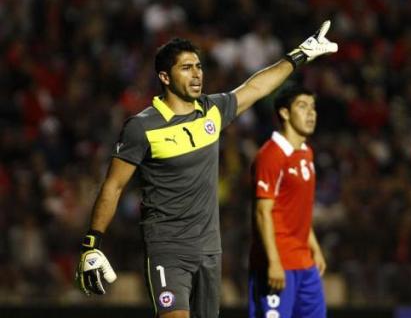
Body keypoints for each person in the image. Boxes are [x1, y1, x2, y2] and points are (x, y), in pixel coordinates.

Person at [75, 21, 337, 318]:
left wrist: (300, 54)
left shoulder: (212, 111)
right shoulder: (141, 127)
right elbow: (114, 186)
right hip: (167, 249)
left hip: (210, 250)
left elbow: (257, 86)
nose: (197, 73)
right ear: (164, 76)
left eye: (198, 66)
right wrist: (91, 244)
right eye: (186, 67)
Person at [248, 86, 327, 318]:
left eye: (313, 108)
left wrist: (315, 248)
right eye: (302, 107)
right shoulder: (270, 155)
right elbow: (262, 213)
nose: (311, 113)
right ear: (284, 113)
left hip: (305, 263)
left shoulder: (306, 153)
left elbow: (298, 209)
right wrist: (273, 262)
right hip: (277, 264)